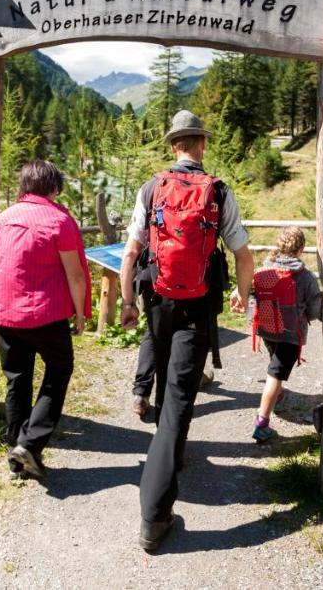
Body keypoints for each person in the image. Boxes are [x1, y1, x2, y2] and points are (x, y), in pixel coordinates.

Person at [119, 110, 253, 552]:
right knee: (178, 400)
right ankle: (154, 517)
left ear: (174, 145)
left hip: (157, 300)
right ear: (200, 144)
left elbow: (131, 251)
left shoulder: (152, 187)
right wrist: (243, 293)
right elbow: (243, 254)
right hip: (197, 306)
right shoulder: (217, 190)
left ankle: (170, 456)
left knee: (164, 385)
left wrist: (125, 303)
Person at [0, 160, 90, 481]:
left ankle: (17, 455)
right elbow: (75, 275)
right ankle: (29, 444)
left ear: (24, 186)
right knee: (59, 369)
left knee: (17, 378)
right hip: (44, 314)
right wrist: (80, 313)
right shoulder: (60, 221)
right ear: (54, 188)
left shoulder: (3, 218)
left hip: (4, 312)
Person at [242, 226, 323, 442]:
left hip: (268, 329)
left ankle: (276, 394)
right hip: (290, 333)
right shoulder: (304, 277)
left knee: (275, 365)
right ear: (302, 248)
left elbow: (253, 295)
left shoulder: (264, 270)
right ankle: (261, 422)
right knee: (275, 374)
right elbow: (315, 310)